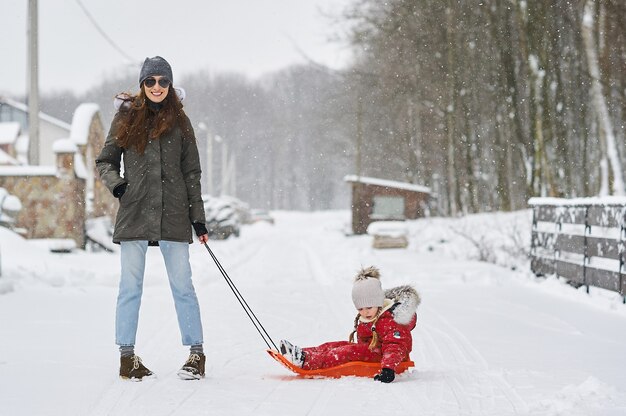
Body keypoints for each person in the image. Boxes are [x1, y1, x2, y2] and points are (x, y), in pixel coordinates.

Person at [96, 56, 209, 381]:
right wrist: (120, 188)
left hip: (174, 214)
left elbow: (191, 172)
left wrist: (197, 219)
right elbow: (105, 160)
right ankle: (127, 357)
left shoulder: (180, 121)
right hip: (135, 212)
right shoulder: (126, 117)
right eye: (150, 81)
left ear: (170, 85)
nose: (157, 87)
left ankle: (196, 354)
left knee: (183, 286)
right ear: (142, 85)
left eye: (162, 81)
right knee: (129, 286)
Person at [280, 266, 420, 383]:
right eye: (360, 309)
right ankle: (303, 353)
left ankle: (306, 362)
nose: (365, 312)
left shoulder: (391, 320)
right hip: (372, 352)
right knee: (336, 345)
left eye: (369, 307)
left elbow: (396, 346)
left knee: (346, 353)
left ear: (378, 302)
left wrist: (388, 368)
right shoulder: (373, 315)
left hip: (386, 360)